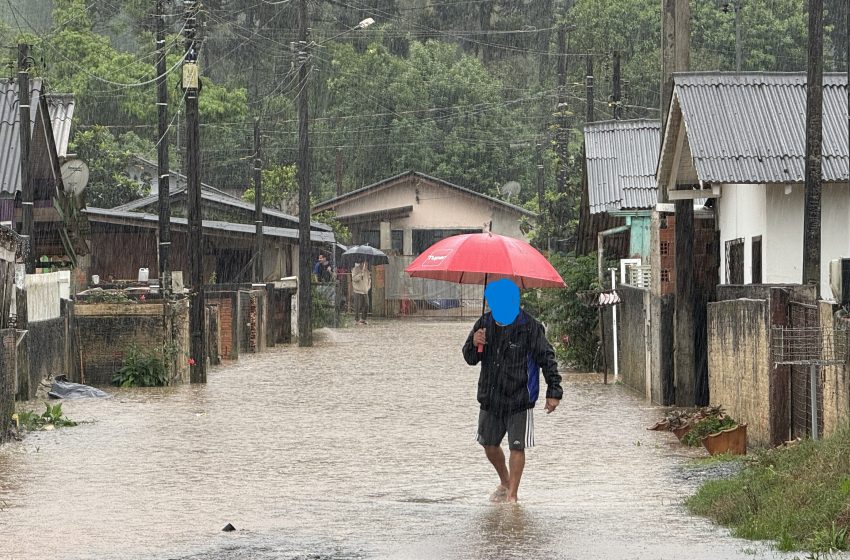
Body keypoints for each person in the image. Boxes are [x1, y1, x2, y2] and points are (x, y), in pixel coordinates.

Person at [462, 278, 562, 503]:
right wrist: (474, 343)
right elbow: (470, 358)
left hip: (519, 397)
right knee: (488, 445)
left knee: (517, 446)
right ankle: (505, 481)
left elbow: (547, 358)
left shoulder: (530, 326)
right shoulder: (484, 324)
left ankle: (512, 495)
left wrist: (553, 391)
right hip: (490, 396)